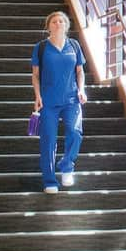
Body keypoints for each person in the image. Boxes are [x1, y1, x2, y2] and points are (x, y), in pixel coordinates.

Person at [30, 10, 88, 194]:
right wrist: (37, 96)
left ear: (66, 25)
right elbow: (35, 75)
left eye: (62, 21)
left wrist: (81, 90)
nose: (58, 24)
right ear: (48, 27)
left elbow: (80, 71)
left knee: (75, 132)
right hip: (48, 102)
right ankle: (49, 180)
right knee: (48, 140)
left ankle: (67, 165)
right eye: (54, 21)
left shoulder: (74, 45)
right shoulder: (40, 48)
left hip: (71, 99)